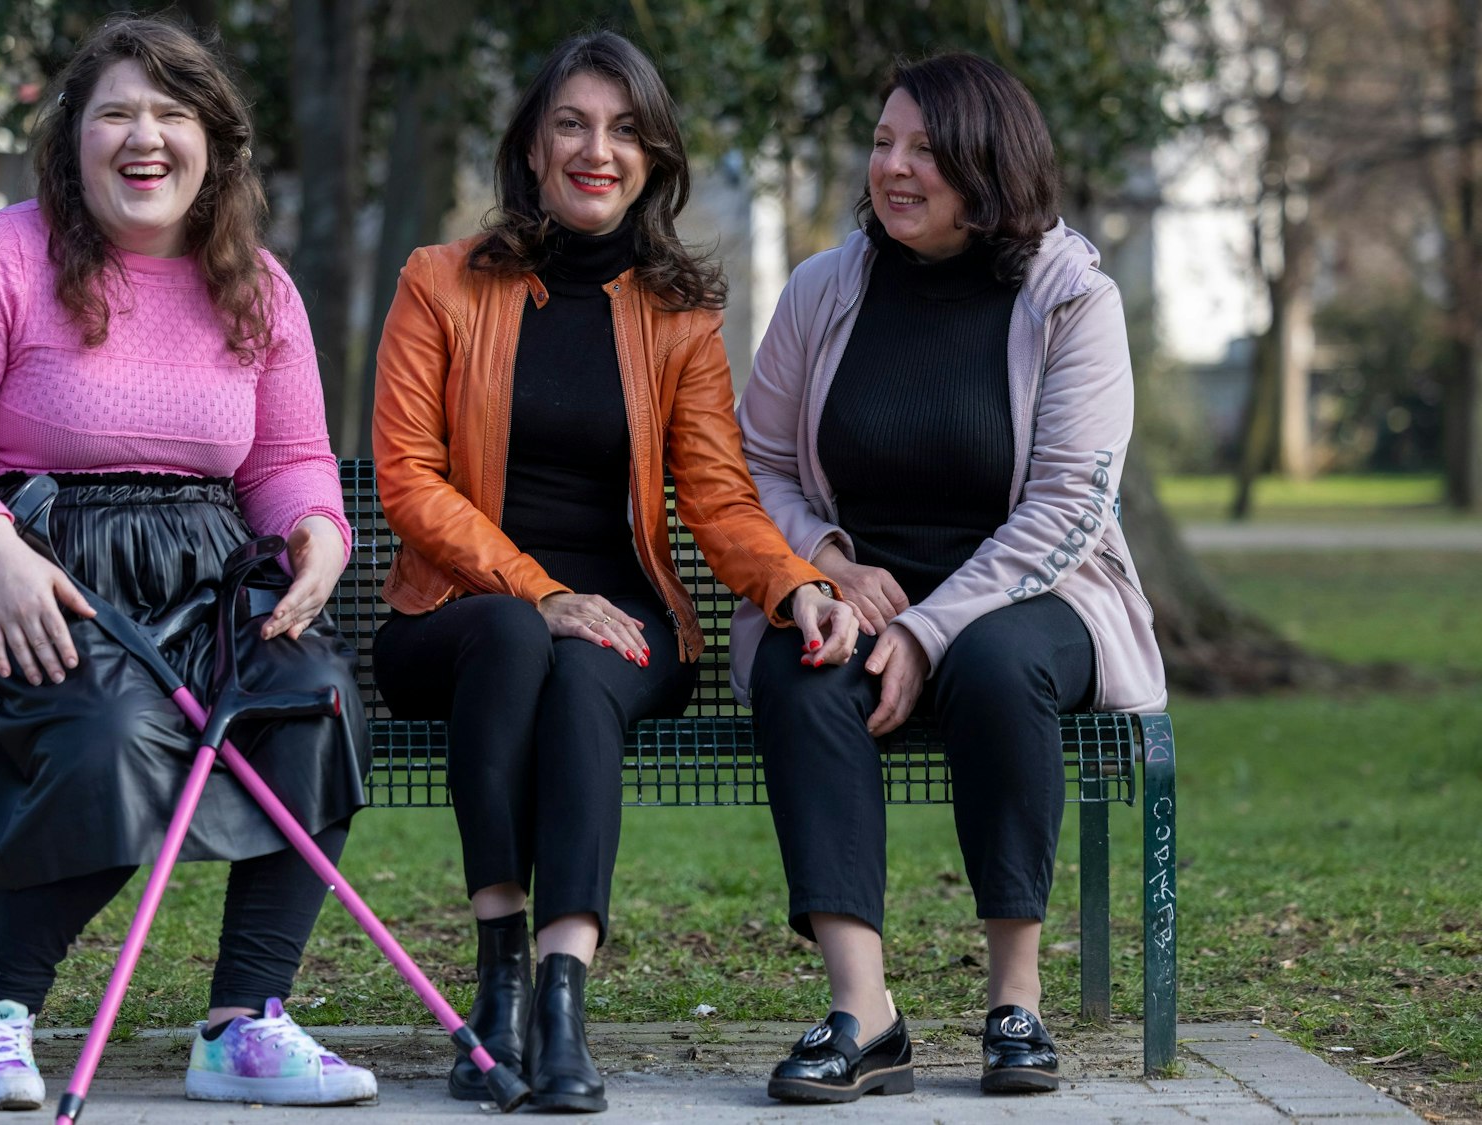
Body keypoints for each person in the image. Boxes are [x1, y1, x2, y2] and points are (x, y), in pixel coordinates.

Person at [0, 16, 378, 1112]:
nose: (142, 137)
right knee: (115, 733)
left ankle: (243, 1025)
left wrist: (318, 534)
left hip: (206, 585)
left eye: (169, 113)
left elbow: (290, 459)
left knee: (319, 699)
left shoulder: (259, 286)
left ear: (213, 143)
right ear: (74, 138)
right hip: (41, 582)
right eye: (115, 112)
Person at [371, 30, 857, 1114]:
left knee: (589, 666)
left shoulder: (677, 315)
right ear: (533, 149)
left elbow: (718, 498)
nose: (599, 150)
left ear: (653, 158)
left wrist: (794, 585)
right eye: (573, 125)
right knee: (514, 635)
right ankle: (496, 980)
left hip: (625, 622)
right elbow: (404, 477)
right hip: (455, 614)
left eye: (625, 130)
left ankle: (558, 994)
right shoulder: (438, 284)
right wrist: (537, 591)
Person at [733, 52, 1168, 1103]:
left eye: (923, 149)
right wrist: (827, 566)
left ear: (988, 162)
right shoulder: (822, 289)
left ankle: (1012, 1000)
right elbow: (757, 467)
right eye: (882, 143)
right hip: (854, 588)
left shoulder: (1070, 297)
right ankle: (861, 1012)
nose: (892, 167)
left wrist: (928, 629)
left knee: (997, 664)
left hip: (1032, 591)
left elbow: (1068, 507)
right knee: (800, 672)